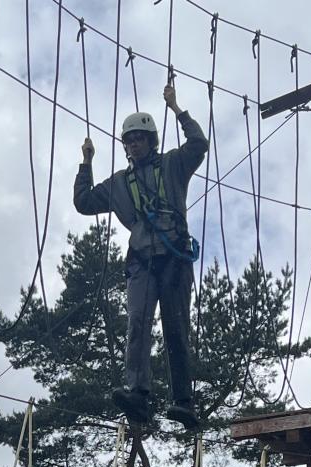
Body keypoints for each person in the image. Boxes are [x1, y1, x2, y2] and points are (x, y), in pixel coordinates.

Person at [73, 84, 208, 431]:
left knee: (176, 326)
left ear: (151, 141)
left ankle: (183, 401)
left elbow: (198, 144)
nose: (134, 145)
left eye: (139, 139)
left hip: (174, 258)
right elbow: (84, 202)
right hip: (142, 262)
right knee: (137, 323)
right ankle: (138, 393)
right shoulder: (120, 183)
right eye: (129, 140)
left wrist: (177, 109)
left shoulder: (173, 164)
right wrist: (86, 161)